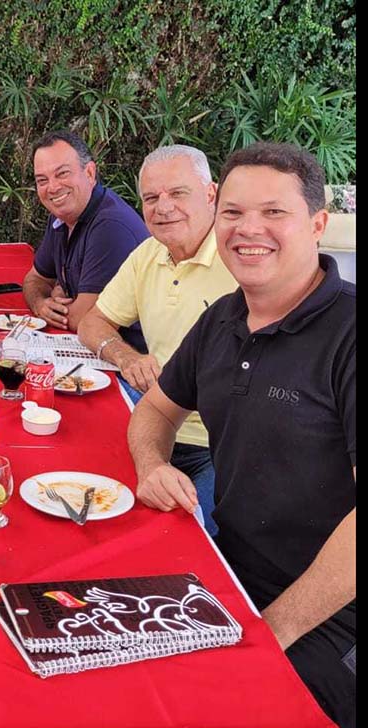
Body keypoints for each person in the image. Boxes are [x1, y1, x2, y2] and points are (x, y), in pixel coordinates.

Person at [128, 142, 355, 728]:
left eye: (273, 212)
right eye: (232, 212)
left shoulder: (349, 334)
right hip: (231, 574)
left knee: (217, 722)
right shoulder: (223, 319)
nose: (248, 229)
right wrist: (151, 465)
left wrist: (271, 630)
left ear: (317, 222)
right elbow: (153, 410)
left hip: (336, 614)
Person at [77, 145, 238, 535]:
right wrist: (125, 356)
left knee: (179, 535)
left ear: (211, 194)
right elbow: (91, 321)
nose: (162, 207)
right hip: (153, 422)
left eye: (177, 193)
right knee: (73, 493)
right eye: (151, 198)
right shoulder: (150, 253)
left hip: (222, 447)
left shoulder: (243, 258)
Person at [22, 129, 149, 346]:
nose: (52, 187)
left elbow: (83, 319)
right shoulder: (62, 216)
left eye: (62, 174)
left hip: (129, 362)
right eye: (42, 180)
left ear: (89, 173)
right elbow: (35, 279)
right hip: (89, 349)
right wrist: (41, 303)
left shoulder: (110, 226)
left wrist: (58, 304)